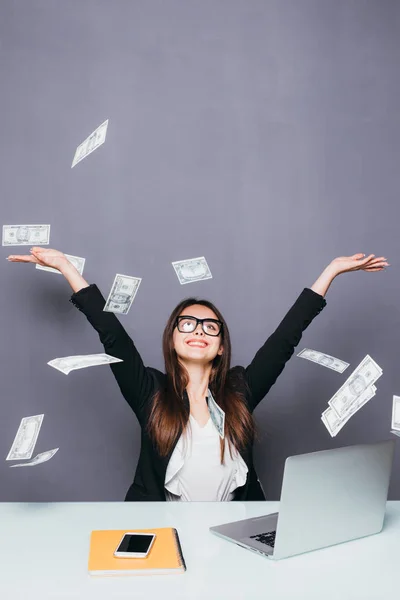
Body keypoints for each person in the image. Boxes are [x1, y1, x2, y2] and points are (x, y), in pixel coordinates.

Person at [7, 248, 389, 501]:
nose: (198, 331)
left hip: (234, 530)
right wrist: (66, 267)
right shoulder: (150, 391)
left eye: (210, 327)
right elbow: (112, 334)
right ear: (172, 338)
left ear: (221, 346)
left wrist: (331, 271)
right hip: (162, 530)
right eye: (187, 323)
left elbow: (285, 338)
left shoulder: (240, 390)